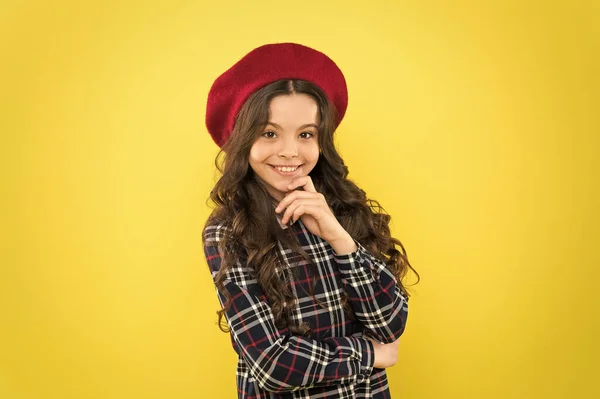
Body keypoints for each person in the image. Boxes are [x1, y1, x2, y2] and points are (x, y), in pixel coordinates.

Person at [202, 42, 419, 399]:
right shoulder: (228, 229)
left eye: (306, 134)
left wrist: (339, 238)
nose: (290, 151)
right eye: (269, 133)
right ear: (243, 141)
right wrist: (368, 354)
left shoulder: (344, 206)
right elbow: (271, 364)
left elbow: (389, 323)